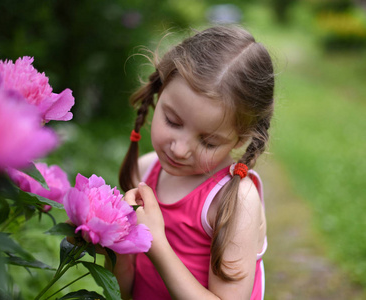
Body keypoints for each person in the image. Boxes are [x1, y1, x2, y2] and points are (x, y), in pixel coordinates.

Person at [110, 25, 275, 300]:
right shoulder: (146, 170)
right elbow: (126, 291)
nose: (180, 149)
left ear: (241, 138)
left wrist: (157, 245)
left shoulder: (233, 201)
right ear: (160, 91)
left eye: (208, 142)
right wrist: (110, 244)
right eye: (173, 122)